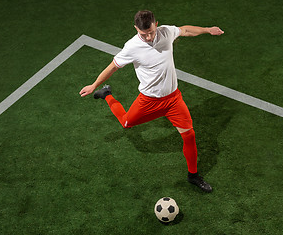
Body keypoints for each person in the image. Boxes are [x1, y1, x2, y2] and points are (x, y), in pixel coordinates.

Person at [80, 10, 224, 193]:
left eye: (151, 32)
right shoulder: (131, 47)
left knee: (189, 135)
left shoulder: (165, 32)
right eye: (143, 34)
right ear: (136, 29)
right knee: (125, 123)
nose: (148, 37)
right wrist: (94, 85)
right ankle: (106, 94)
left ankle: (193, 175)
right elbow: (112, 67)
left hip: (173, 99)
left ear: (156, 24)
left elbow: (185, 30)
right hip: (148, 101)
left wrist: (207, 29)